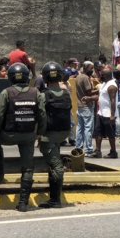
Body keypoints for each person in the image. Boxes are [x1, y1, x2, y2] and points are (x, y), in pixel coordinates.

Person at [0, 62, 45, 209]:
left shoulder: (6, 92)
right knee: (27, 169)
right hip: (28, 135)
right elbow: (42, 115)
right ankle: (23, 203)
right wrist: (39, 133)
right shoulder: (36, 92)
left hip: (9, 134)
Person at [38, 61, 72, 209]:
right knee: (53, 164)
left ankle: (56, 200)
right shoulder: (66, 93)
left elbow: (41, 117)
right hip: (62, 134)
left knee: (56, 167)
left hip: (49, 136)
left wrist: (38, 135)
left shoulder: (43, 96)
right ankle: (54, 197)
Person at [92, 66, 118, 160]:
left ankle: (113, 152)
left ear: (106, 75)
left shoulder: (111, 86)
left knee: (110, 134)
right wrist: (89, 98)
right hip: (101, 112)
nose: (100, 76)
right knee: (98, 132)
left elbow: (113, 101)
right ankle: (98, 151)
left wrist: (112, 115)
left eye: (102, 75)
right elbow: (100, 97)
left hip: (108, 114)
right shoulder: (104, 83)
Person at [74, 61, 98, 155]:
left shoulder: (78, 77)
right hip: (86, 106)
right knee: (88, 128)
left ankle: (78, 148)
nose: (92, 70)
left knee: (80, 128)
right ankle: (88, 149)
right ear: (86, 67)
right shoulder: (85, 78)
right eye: (91, 68)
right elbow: (89, 92)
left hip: (80, 105)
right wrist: (98, 90)